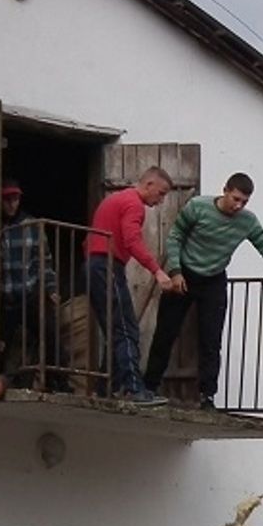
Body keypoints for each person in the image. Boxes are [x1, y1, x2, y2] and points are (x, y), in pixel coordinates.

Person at [143, 173, 263, 410]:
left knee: (211, 339)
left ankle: (207, 395)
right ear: (225, 190)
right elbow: (175, 237)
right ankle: (149, 386)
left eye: (244, 202)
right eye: (235, 199)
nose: (238, 206)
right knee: (166, 332)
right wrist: (175, 271)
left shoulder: (248, 221)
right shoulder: (198, 207)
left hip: (214, 279)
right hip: (185, 273)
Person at [84, 166, 175, 406]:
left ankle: (105, 388)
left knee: (115, 329)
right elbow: (132, 240)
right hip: (107, 265)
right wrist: (157, 271)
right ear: (149, 185)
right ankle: (134, 388)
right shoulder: (134, 204)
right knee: (126, 330)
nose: (161, 200)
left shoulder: (117, 199)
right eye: (161, 193)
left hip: (95, 264)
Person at [0, 182, 67, 390]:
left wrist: (51, 289)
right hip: (5, 297)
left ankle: (59, 382)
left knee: (49, 333)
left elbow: (43, 261)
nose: (12, 204)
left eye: (15, 199)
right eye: (7, 200)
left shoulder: (32, 226)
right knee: (1, 343)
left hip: (28, 293)